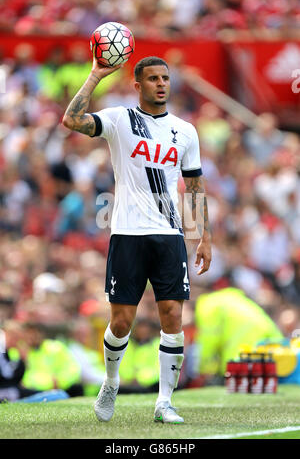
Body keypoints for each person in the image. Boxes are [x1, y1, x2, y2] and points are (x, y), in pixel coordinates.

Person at [62, 55, 212, 424]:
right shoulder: (120, 120)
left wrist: (202, 236)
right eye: (153, 79)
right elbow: (72, 119)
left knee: (173, 315)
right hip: (127, 232)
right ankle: (111, 383)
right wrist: (96, 74)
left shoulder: (185, 131)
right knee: (121, 322)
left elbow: (192, 186)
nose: (161, 84)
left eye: (165, 78)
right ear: (138, 85)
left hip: (169, 234)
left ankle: (164, 402)